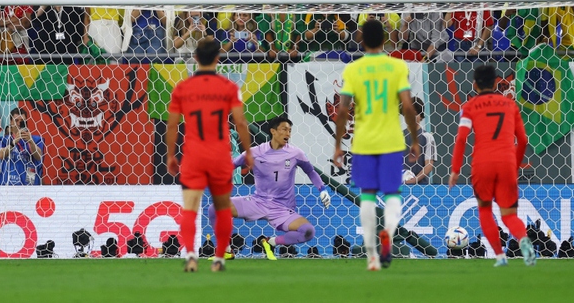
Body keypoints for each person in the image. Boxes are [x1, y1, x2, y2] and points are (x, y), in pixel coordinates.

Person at [333, 18, 419, 271]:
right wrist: (414, 139)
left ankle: (371, 255)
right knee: (392, 194)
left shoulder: (353, 70)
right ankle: (388, 235)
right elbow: (408, 107)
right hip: (391, 141)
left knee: (367, 197)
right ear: (384, 40)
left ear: (361, 40)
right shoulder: (396, 66)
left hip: (364, 142)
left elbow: (342, 111)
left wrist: (338, 144)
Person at [166, 37, 254, 272]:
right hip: (219, 155)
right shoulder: (228, 87)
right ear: (218, 58)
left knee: (190, 208)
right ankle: (218, 259)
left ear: (195, 58)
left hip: (194, 155)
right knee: (223, 207)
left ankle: (192, 256)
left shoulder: (183, 88)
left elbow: (173, 125)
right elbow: (241, 123)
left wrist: (170, 156)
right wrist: (248, 153)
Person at [448, 64, 535, 267]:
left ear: (475, 85)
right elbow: (523, 140)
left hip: (483, 164)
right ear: (495, 82)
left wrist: (455, 170)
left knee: (485, 209)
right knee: (509, 215)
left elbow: (461, 139)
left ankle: (499, 256)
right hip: (506, 162)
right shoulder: (509, 105)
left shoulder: (469, 107)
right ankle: (523, 239)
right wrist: (514, 165)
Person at [213, 115, 330, 260]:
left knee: (308, 232)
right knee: (215, 208)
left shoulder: (295, 153)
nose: (288, 133)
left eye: (290, 130)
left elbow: (311, 171)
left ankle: (270, 242)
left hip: (282, 208)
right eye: (284, 129)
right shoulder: (255, 152)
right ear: (273, 131)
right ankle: (226, 251)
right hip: (257, 202)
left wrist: (322, 190)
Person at [0, 107, 44, 186]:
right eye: (16, 121)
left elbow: (38, 156)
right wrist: (14, 142)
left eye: (22, 121)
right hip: (8, 186)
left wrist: (30, 141)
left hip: (29, 187)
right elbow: (1, 155)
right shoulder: (3, 140)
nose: (19, 124)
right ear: (11, 122)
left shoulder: (35, 139)